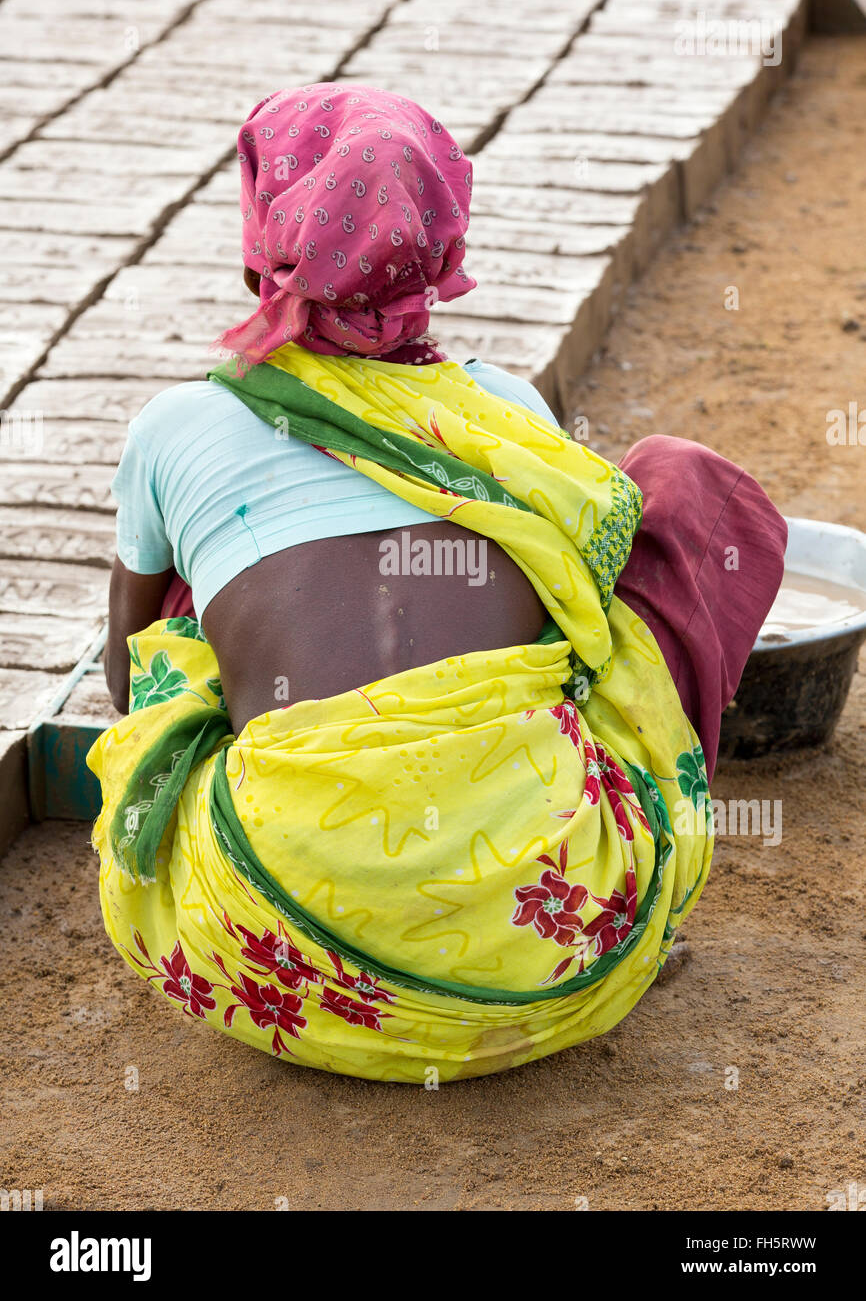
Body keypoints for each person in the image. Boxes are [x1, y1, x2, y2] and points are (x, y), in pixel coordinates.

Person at [90, 83, 786, 1082]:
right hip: (558, 944)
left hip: (271, 940)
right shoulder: (502, 412)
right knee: (661, 496)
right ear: (442, 248)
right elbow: (582, 638)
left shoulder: (174, 427)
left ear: (262, 228)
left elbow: (125, 687)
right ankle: (629, 848)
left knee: (184, 611)